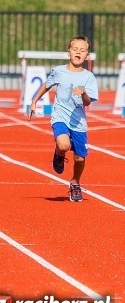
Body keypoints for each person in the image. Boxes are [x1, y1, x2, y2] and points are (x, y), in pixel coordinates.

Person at [29, 35, 98, 202]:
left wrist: (84, 93)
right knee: (63, 144)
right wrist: (34, 101)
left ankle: (75, 182)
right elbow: (46, 85)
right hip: (60, 117)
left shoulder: (89, 77)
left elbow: (88, 102)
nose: (78, 52)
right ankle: (59, 153)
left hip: (78, 122)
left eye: (82, 50)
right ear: (69, 52)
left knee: (80, 158)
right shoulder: (59, 71)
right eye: (75, 49)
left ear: (87, 55)